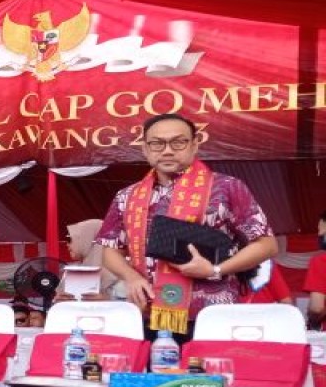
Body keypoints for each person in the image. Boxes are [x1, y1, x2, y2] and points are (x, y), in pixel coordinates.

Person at [96, 113, 277, 340]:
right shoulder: (127, 196)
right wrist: (130, 277)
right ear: (144, 148)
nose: (167, 150)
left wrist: (215, 270)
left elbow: (267, 245)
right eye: (156, 143)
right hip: (148, 314)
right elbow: (110, 250)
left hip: (212, 315)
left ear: (194, 145)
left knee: (208, 376)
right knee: (155, 374)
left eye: (178, 142)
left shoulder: (227, 188)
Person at [63, 219, 122, 299]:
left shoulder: (122, 274)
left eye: (69, 239)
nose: (67, 244)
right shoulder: (73, 272)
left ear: (87, 239)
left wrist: (107, 300)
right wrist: (60, 300)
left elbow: (132, 307)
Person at [305, 210, 326, 330]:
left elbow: (316, 308)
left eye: (320, 231)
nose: (319, 236)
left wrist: (311, 320)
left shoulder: (320, 261)